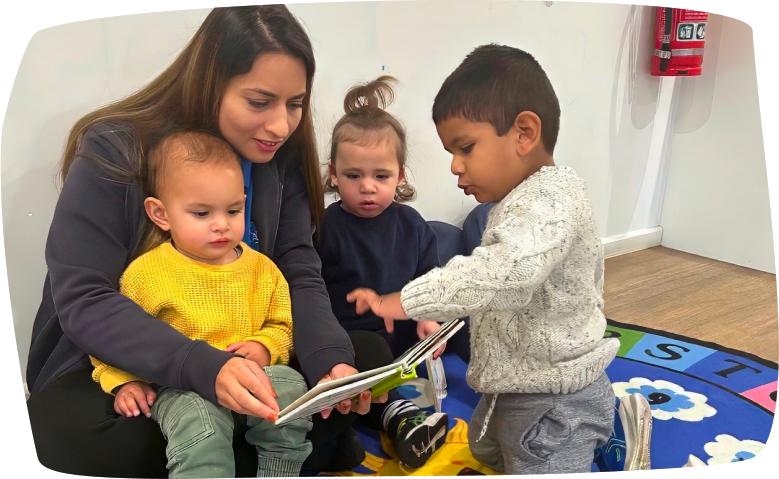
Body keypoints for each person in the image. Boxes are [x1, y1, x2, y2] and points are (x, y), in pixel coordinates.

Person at [25, 6, 380, 477]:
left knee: (365, 358)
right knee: (66, 438)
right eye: (259, 102)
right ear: (210, 81)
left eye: (295, 103)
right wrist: (202, 367)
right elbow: (85, 299)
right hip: (133, 368)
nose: (280, 125)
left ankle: (227, 447)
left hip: (244, 351)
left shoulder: (280, 160)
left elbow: (298, 268)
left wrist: (329, 363)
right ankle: (260, 444)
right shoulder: (115, 147)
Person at [347, 44, 622, 474]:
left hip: (556, 396)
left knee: (535, 458)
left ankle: (601, 432)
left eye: (466, 148)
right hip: (509, 384)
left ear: (524, 133)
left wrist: (402, 300)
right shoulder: (515, 202)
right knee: (484, 451)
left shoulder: (552, 199)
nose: (455, 167)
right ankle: (595, 431)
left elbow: (504, 273)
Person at [90, 130, 312, 478]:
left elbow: (282, 324)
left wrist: (265, 346)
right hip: (183, 389)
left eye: (234, 209)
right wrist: (123, 382)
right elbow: (114, 340)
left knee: (291, 388)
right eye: (201, 213)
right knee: (199, 424)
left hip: (256, 380)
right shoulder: (146, 274)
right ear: (160, 214)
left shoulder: (263, 269)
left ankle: (280, 471)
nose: (221, 225)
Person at [316, 76, 470, 468]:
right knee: (367, 364)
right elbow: (312, 291)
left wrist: (429, 318)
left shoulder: (413, 224)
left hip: (408, 337)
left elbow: (429, 278)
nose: (368, 187)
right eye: (354, 176)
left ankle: (497, 379)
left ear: (399, 175)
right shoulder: (326, 226)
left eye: (380, 176)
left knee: (467, 317)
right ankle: (397, 418)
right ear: (334, 174)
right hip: (358, 344)